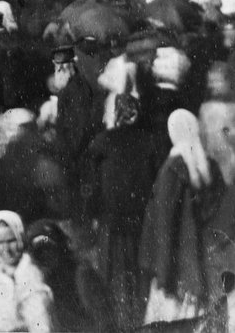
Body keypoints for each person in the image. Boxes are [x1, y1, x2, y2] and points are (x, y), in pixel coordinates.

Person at [139, 107, 227, 324]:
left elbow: (164, 228)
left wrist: (164, 276)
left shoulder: (171, 171)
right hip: (204, 269)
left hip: (176, 270)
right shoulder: (211, 169)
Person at [85, 92, 160, 329]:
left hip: (112, 219)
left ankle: (119, 320)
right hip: (140, 220)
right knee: (138, 271)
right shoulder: (150, 140)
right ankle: (137, 319)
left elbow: (92, 184)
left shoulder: (102, 141)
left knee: (114, 272)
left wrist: (92, 215)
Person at [0, 210, 50, 332]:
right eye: (0, 242)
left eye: (11, 241)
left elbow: (40, 325)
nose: (6, 249)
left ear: (20, 238)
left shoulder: (29, 275)